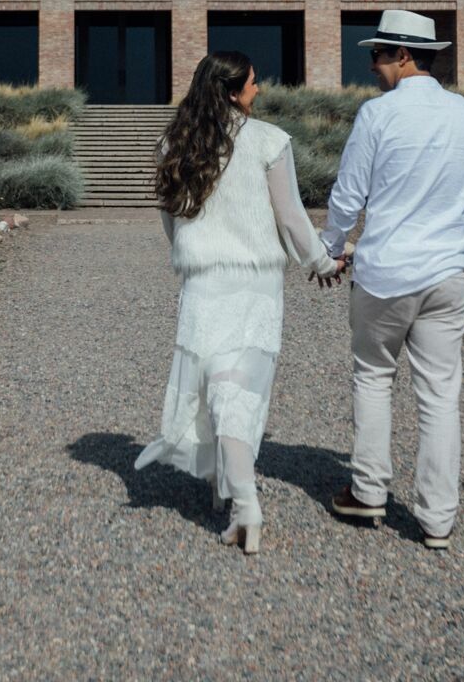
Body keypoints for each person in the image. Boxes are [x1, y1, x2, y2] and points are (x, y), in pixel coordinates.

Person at [135, 50, 341, 555]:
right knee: (241, 390)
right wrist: (323, 263)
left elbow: (172, 219)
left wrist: (191, 256)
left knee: (214, 384)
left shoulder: (174, 142)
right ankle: (244, 500)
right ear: (231, 90)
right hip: (255, 284)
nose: (259, 89)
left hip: (204, 283)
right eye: (252, 83)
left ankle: (225, 488)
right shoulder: (270, 141)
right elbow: (291, 217)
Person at [316, 9, 464, 550]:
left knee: (374, 377)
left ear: (403, 55)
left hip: (387, 274)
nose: (372, 65)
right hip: (450, 271)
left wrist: (331, 251)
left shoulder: (377, 117)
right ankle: (437, 520)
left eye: (377, 54)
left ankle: (370, 492)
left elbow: (348, 195)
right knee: (440, 394)